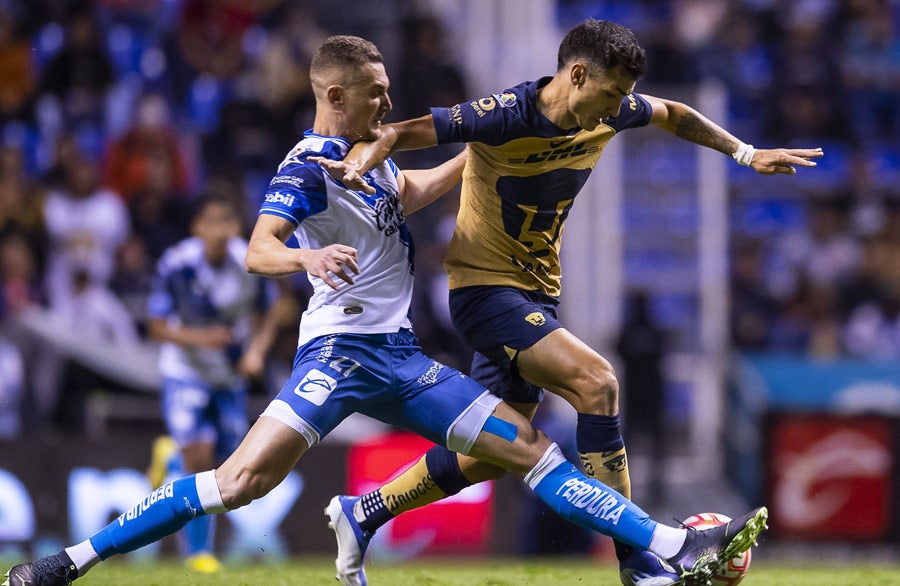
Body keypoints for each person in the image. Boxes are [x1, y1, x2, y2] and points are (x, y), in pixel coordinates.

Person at [2, 35, 768, 586]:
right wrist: (305, 257)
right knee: (237, 484)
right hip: (334, 359)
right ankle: (72, 562)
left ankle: (665, 546)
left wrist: (504, 135)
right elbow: (258, 249)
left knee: (529, 446)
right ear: (335, 96)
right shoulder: (307, 166)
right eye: (376, 92)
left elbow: (426, 183)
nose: (389, 102)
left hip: (400, 359)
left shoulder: (376, 168)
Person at [312, 19, 820, 586]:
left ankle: (363, 512)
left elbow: (675, 113)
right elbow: (402, 132)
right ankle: (642, 564)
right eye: (609, 95)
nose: (616, 110)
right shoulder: (503, 114)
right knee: (597, 382)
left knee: (493, 452)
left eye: (623, 98)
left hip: (537, 292)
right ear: (577, 75)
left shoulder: (612, 107)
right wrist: (357, 160)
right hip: (483, 291)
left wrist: (746, 153)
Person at [143, 195, 282, 573]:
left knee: (224, 461)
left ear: (236, 227)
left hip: (227, 376)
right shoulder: (177, 264)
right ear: (197, 227)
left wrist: (256, 351)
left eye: (226, 221)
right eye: (211, 222)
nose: (219, 231)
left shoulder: (248, 261)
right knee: (200, 458)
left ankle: (168, 454)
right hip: (185, 371)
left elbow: (272, 313)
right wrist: (202, 339)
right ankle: (198, 553)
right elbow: (155, 326)